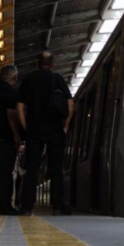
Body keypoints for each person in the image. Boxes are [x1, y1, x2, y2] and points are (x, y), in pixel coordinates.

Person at [18, 52, 74, 215]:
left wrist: (26, 128)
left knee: (32, 168)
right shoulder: (57, 79)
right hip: (55, 130)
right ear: (53, 64)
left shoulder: (28, 80)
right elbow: (70, 104)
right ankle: (58, 207)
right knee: (56, 168)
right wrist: (65, 125)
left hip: (34, 130)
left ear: (38, 64)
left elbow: (20, 108)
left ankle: (27, 207)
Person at [0, 65, 22, 215]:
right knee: (6, 173)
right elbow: (11, 114)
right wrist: (16, 135)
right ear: (14, 77)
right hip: (5, 137)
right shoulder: (10, 92)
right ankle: (5, 205)